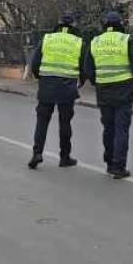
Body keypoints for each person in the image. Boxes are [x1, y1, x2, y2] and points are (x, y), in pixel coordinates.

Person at [84, 10, 133, 179]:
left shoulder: (95, 41)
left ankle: (110, 162)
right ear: (120, 24)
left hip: (103, 91)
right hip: (124, 90)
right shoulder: (125, 39)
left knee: (108, 128)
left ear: (105, 25)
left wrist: (97, 81)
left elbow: (88, 68)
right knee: (121, 129)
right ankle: (119, 166)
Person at [27, 12, 85, 169]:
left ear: (59, 24)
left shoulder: (47, 38)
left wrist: (42, 77)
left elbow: (35, 63)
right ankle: (64, 157)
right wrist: (81, 82)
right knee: (65, 122)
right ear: (73, 25)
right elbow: (84, 66)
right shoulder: (78, 42)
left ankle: (37, 153)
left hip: (47, 86)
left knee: (42, 120)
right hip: (67, 87)